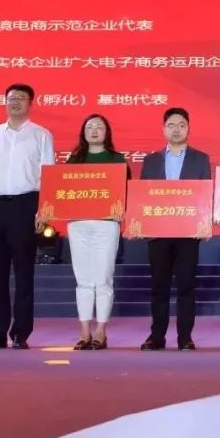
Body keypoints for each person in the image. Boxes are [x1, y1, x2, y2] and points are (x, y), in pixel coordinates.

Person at [0, 83, 55, 350]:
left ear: (30, 103)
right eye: (11, 98)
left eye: (21, 98)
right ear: (5, 102)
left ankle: (20, 333)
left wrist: (44, 210)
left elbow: (48, 174)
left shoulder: (41, 135)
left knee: (24, 273)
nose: (15, 102)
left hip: (26, 206)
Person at [139, 108, 211, 351]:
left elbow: (205, 195)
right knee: (159, 286)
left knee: (186, 286)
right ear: (164, 129)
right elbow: (144, 196)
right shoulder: (150, 160)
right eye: (171, 125)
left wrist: (204, 224)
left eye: (181, 125)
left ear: (188, 128)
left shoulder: (200, 159)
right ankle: (156, 336)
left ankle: (185, 337)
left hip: (188, 232)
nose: (176, 129)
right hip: (158, 232)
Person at [65, 114, 130, 351]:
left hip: (106, 224)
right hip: (78, 224)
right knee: (83, 280)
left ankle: (101, 331)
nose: (94, 131)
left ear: (107, 132)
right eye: (89, 127)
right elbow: (62, 190)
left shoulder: (117, 160)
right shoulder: (74, 160)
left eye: (99, 127)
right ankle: (84, 331)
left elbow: (125, 192)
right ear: (83, 132)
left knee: (103, 279)